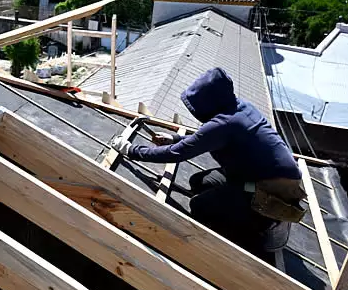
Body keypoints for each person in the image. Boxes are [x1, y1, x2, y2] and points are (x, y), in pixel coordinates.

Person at [109, 67, 305, 256]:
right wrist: (175, 138)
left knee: (201, 207)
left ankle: (262, 224)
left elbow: (176, 154)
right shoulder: (238, 107)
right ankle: (241, 209)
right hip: (256, 177)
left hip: (272, 191)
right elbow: (204, 137)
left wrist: (130, 150)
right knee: (198, 182)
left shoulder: (226, 123)